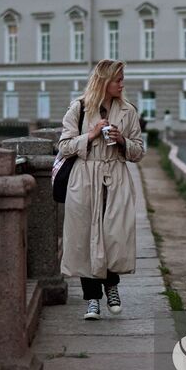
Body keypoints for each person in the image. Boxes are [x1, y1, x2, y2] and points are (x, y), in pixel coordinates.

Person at [58, 59, 146, 320]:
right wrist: (92, 134)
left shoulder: (128, 111)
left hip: (116, 176)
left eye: (122, 78)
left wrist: (123, 141)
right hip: (84, 177)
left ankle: (112, 285)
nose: (122, 83)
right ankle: (93, 299)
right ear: (104, 82)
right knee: (86, 237)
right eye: (117, 79)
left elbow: (139, 151)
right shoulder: (80, 108)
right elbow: (63, 146)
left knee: (113, 236)